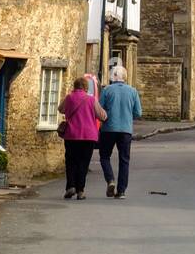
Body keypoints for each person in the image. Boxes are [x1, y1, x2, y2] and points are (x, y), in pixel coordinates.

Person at [98, 64, 143, 199]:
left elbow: (100, 110)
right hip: (125, 130)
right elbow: (138, 112)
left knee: (105, 156)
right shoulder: (133, 91)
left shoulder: (107, 90)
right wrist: (128, 116)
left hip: (108, 129)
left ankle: (110, 180)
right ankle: (121, 191)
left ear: (113, 77)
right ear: (125, 77)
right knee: (124, 160)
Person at [59, 76, 106, 200]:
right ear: (86, 87)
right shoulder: (91, 100)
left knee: (71, 162)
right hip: (88, 136)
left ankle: (70, 187)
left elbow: (61, 109)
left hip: (71, 135)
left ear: (75, 86)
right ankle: (80, 190)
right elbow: (102, 115)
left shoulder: (69, 97)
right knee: (83, 163)